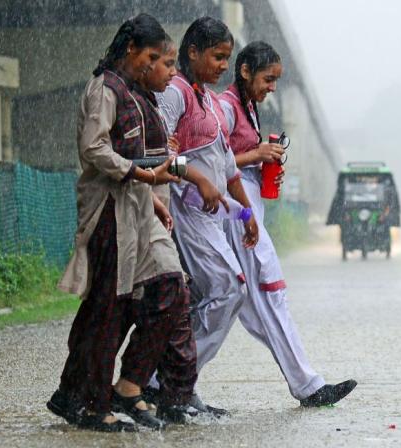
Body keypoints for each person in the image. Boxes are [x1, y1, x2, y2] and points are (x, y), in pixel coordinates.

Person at [47, 15, 221, 431]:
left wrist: (160, 188)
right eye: (158, 60)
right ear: (134, 52)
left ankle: (121, 388)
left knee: (160, 294)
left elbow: (160, 159)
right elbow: (97, 149)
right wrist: (147, 179)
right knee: (109, 306)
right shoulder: (106, 89)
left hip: (140, 208)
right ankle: (92, 401)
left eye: (167, 62)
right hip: (111, 209)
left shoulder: (144, 96)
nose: (164, 69)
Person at [219, 41, 356, 407]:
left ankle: (161, 384)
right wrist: (256, 155)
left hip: (246, 208)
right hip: (238, 212)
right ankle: (309, 385)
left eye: (277, 81)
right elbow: (212, 162)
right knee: (267, 293)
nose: (272, 88)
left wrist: (260, 163)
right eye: (268, 79)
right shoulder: (226, 107)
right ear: (245, 71)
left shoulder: (246, 107)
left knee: (229, 303)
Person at [149, 16, 258, 415]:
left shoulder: (209, 100)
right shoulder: (174, 93)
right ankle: (169, 383)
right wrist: (196, 179)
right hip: (187, 211)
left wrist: (246, 210)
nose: (222, 66)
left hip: (214, 217)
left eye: (227, 58)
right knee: (228, 290)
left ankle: (170, 383)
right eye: (216, 56)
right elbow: (158, 152)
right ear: (191, 52)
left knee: (202, 300)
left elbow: (227, 166)